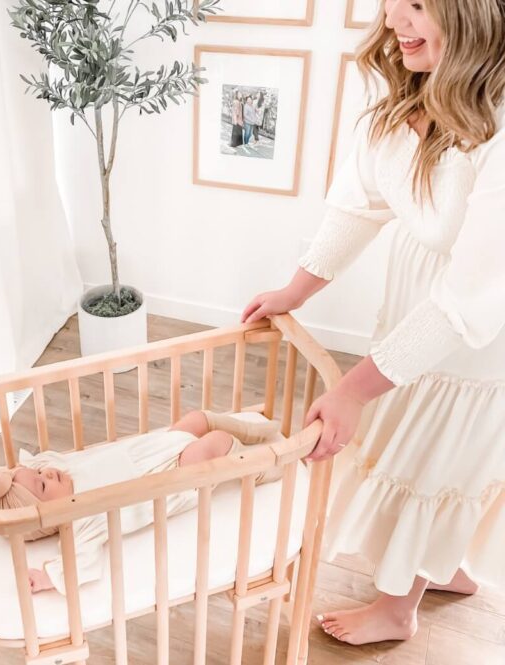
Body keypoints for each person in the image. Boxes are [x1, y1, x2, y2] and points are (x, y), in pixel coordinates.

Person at [241, 0, 505, 647]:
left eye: (416, 5)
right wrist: (294, 289)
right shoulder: (408, 99)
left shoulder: (496, 130)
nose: (392, 19)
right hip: (418, 311)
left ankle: (397, 607)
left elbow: (468, 297)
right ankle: (445, 568)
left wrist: (353, 390)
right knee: (404, 441)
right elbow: (357, 206)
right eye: (392, 2)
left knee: (431, 457)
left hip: (474, 333)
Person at [0, 409, 283, 594]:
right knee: (215, 441)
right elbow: (78, 560)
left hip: (159, 448)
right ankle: (261, 469)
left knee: (197, 419)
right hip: (173, 477)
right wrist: (46, 576)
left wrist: (14, 476)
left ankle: (253, 430)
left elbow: (39, 462)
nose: (47, 472)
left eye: (40, 473)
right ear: (49, 514)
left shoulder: (66, 470)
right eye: (42, 483)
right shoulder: (80, 519)